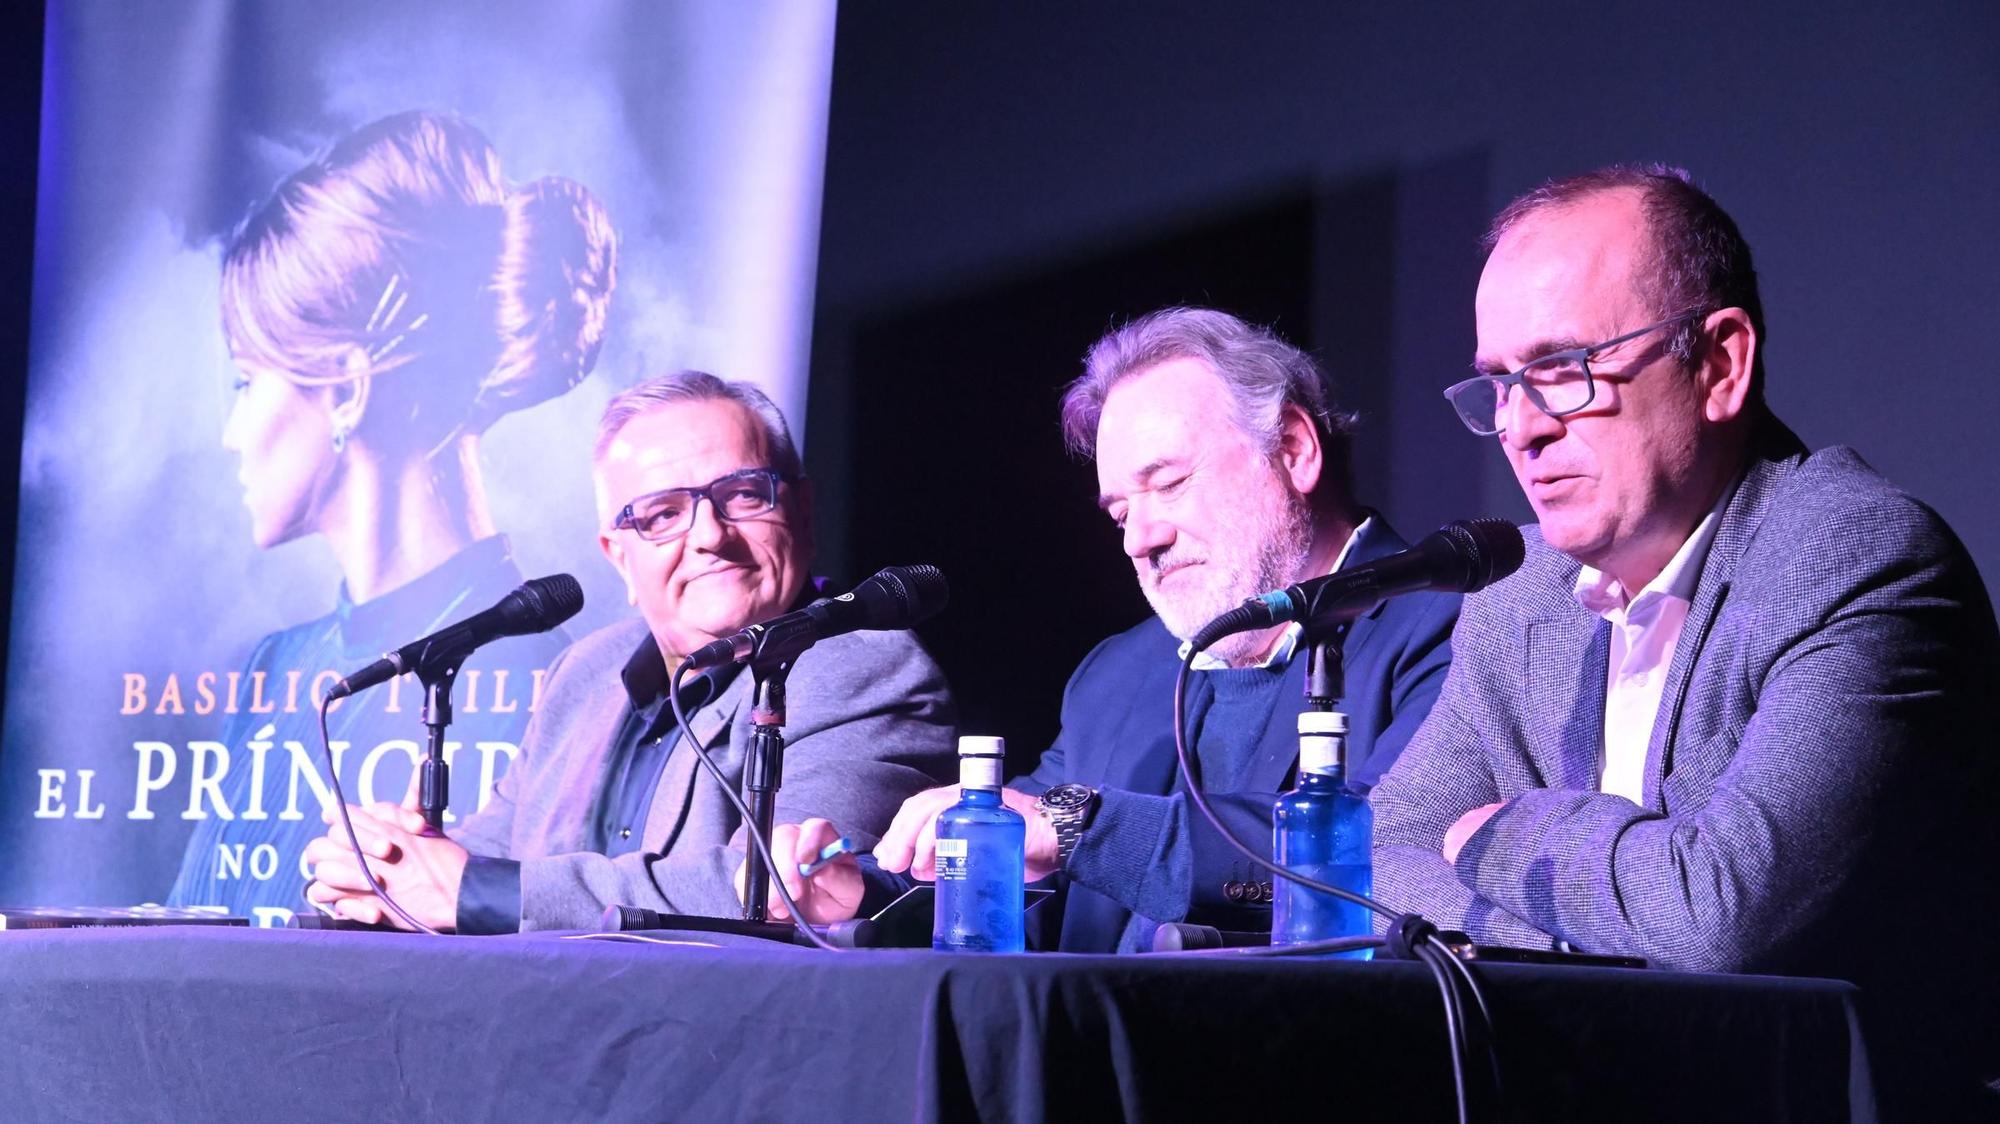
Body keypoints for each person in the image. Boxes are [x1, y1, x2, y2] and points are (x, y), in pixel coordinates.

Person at [1371, 164, 2000, 1113]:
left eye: (1561, 370)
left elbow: (1719, 914)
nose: (1519, 428)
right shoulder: (1521, 593)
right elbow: (1387, 851)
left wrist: (1498, 837)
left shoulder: (1857, 559)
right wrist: (1592, 928)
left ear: (1719, 365)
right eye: (1498, 384)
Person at [759, 308, 1458, 952]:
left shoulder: (1445, 626)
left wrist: (1074, 826)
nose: (1139, 541)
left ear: (1295, 450)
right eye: (1121, 512)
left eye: (1171, 484)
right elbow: (1026, 870)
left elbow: (1384, 854)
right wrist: (863, 894)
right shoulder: (1119, 675)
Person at [302, 371, 958, 932]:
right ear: (619, 556)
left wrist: (473, 890)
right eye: (662, 514)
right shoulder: (583, 672)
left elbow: (778, 891)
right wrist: (391, 866)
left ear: (802, 511)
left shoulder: (864, 667)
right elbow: (490, 855)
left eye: (743, 495)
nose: (709, 535)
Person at [168, 110, 617, 925]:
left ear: (343, 387)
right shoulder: (273, 667)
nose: (230, 435)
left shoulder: (563, 682)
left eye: (245, 383)